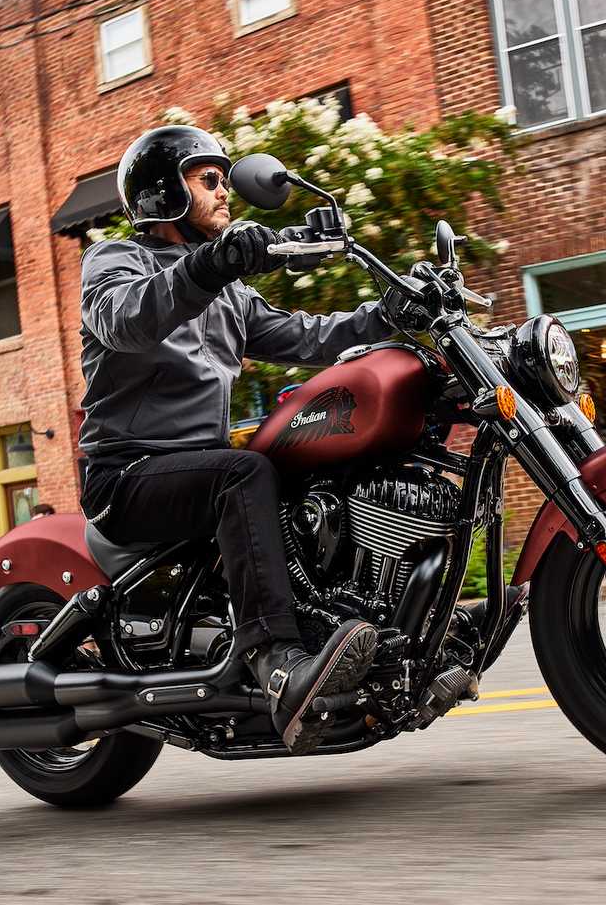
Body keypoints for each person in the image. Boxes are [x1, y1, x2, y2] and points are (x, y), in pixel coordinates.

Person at [77, 125, 398, 753]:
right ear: (164, 193)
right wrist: (211, 265)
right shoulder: (115, 262)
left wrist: (387, 316)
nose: (226, 193)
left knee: (301, 465)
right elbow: (131, 320)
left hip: (202, 470)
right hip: (128, 475)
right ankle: (276, 663)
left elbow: (305, 336)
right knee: (243, 471)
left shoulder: (229, 294)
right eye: (210, 180)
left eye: (225, 180)